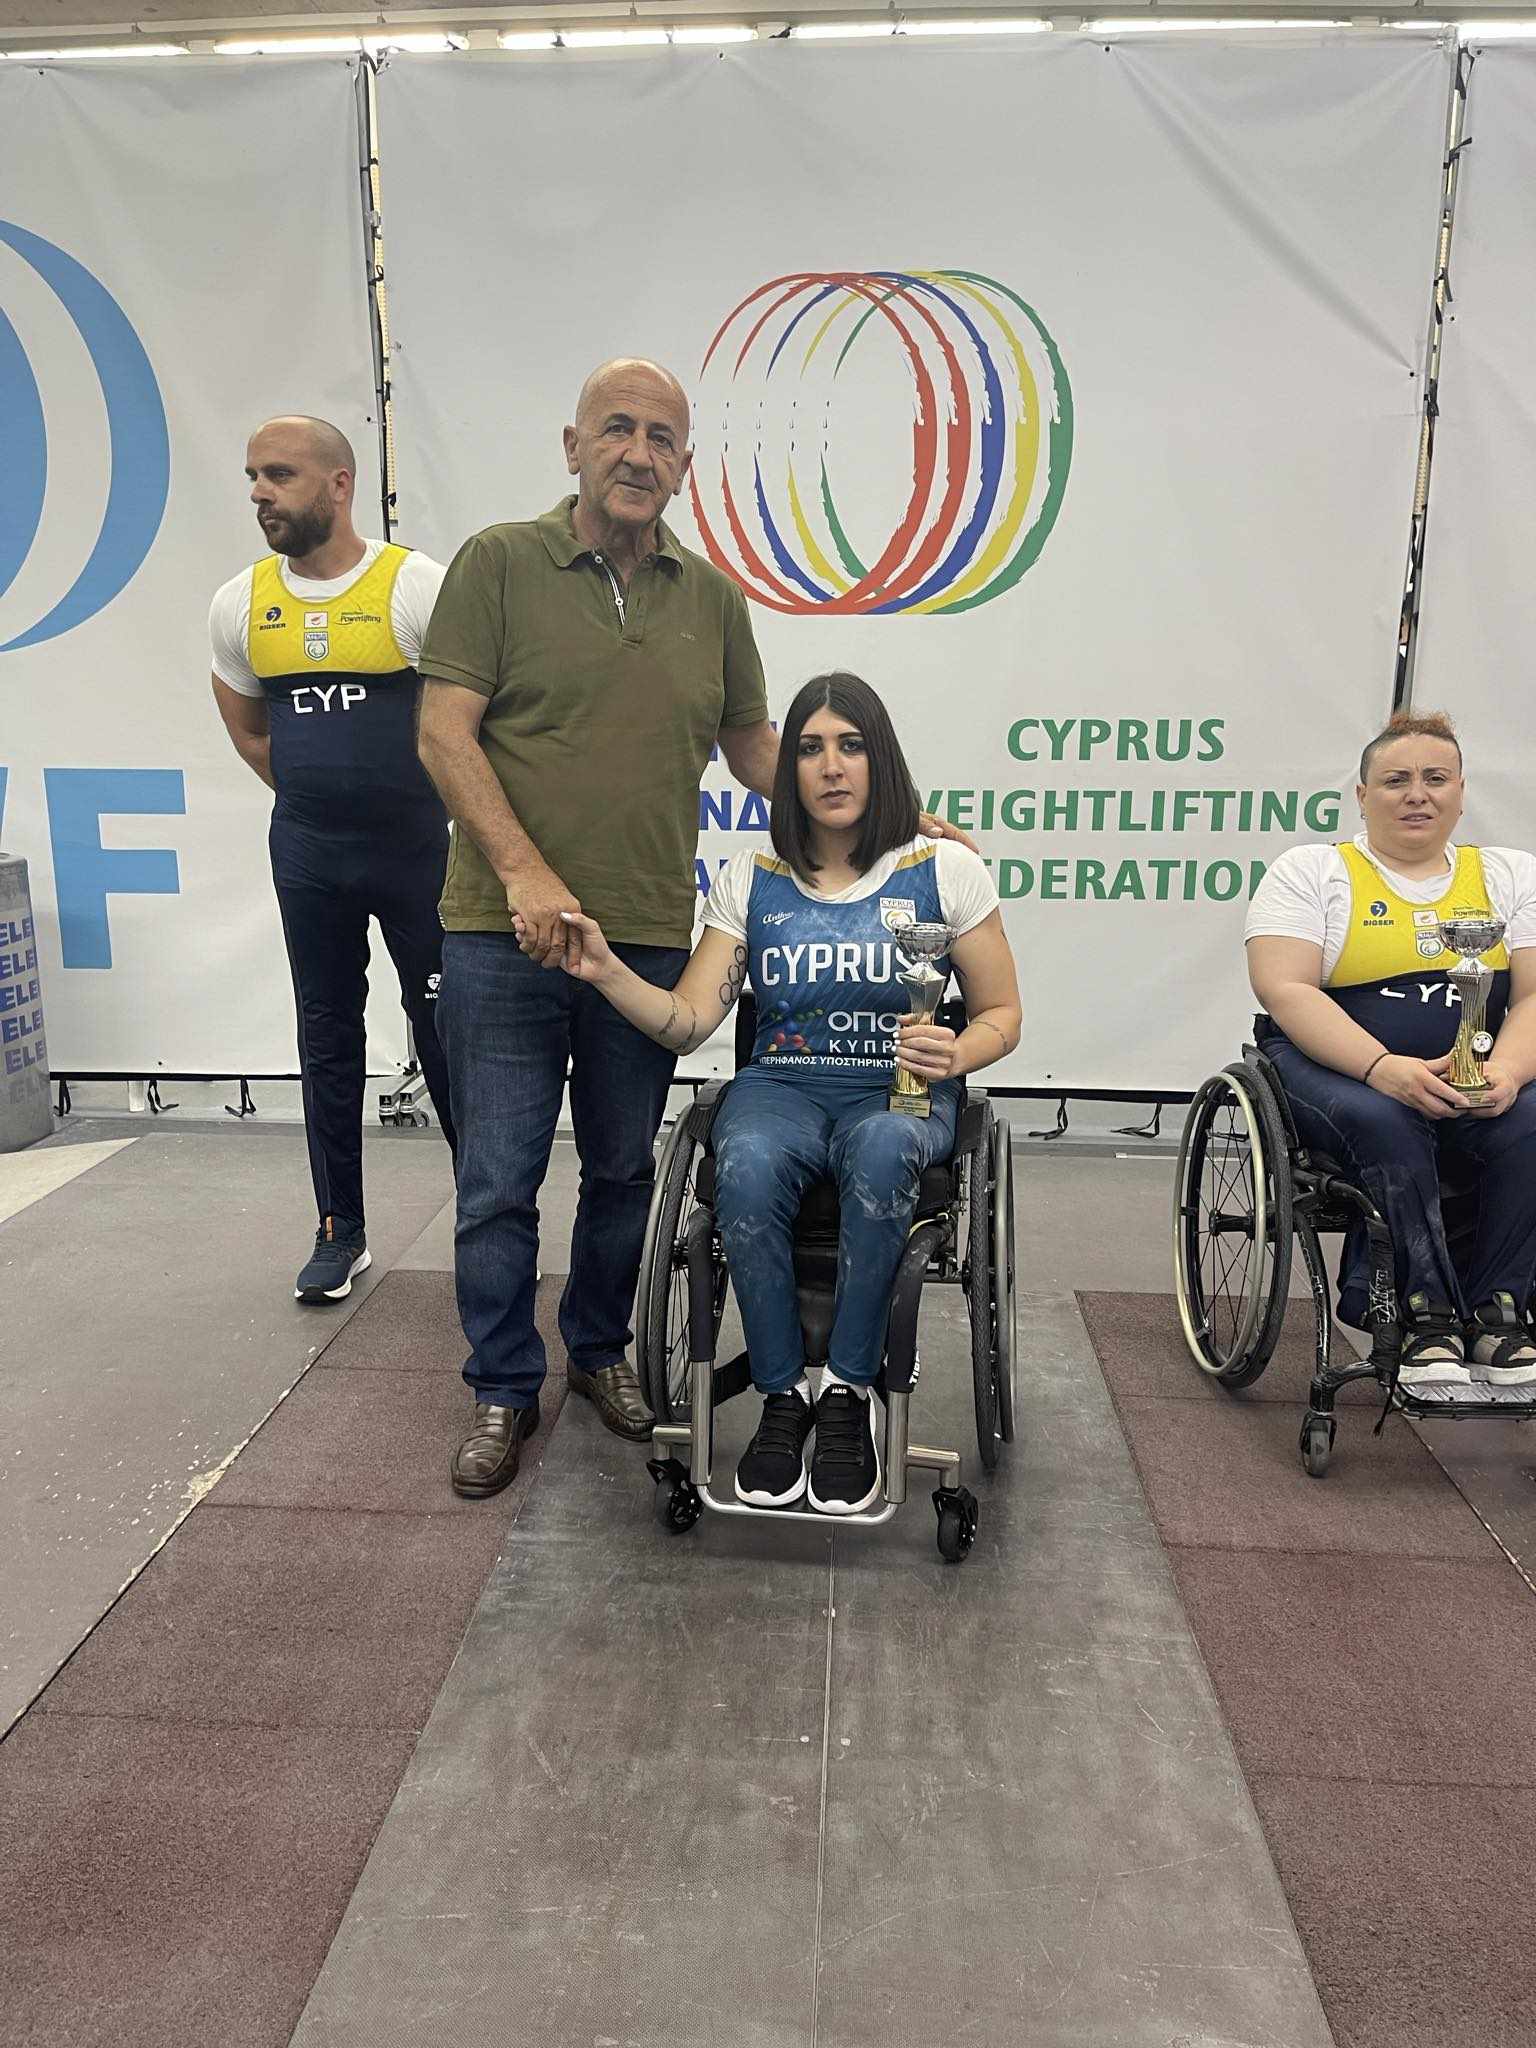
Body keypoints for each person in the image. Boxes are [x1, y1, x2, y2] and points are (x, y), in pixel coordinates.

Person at [418, 360, 973, 1501]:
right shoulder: (498, 563)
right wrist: (524, 872)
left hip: (648, 932)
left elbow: (757, 748)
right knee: (498, 1180)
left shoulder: (712, 600)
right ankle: (502, 1387)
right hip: (499, 931)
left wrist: (894, 813)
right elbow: (441, 732)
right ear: (572, 445)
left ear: (684, 464)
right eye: (616, 429)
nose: (638, 452)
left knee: (624, 1171)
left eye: (661, 437)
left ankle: (601, 1353)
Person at [545, 672, 1021, 1514]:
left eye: (851, 745)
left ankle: (846, 1393)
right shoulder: (753, 876)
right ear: (787, 769)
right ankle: (782, 1395)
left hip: (898, 1087)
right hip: (783, 1084)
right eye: (809, 748)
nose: (831, 766)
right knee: (747, 1161)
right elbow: (689, 1020)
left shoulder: (943, 869)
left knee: (884, 1148)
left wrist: (959, 1049)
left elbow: (1003, 1015)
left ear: (881, 759)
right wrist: (608, 970)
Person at [210, 415, 456, 1303]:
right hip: (310, 853)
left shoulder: (414, 586)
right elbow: (251, 732)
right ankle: (338, 1230)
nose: (258, 493)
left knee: (447, 1027)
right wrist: (326, 799)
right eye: (253, 475)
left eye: (279, 474)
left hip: (416, 850)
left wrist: (382, 802)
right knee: (326, 1033)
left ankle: (485, 1221)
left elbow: (469, 723)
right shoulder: (240, 603)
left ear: (341, 484)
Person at [1246, 708, 1536, 1385]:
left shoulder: (1512, 875)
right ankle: (1419, 1314)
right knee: (1386, 1120)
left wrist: (1507, 1073)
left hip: (1476, 1066)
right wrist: (1382, 1068)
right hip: (1336, 1069)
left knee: (1530, 1119)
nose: (1417, 795)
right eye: (1396, 780)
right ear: (1362, 795)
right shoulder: (1312, 871)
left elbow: (1530, 998)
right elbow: (1285, 989)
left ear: (1461, 792)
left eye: (1436, 778)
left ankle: (1501, 1311)